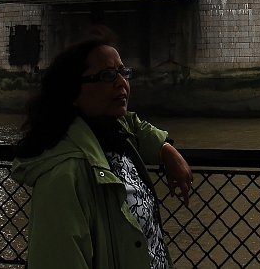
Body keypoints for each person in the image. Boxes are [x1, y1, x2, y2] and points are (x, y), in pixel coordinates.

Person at [11, 39, 193, 269]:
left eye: (123, 72)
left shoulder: (114, 131)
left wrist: (165, 149)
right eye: (107, 76)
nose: (122, 82)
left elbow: (134, 123)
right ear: (73, 92)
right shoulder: (63, 178)